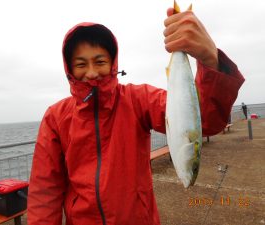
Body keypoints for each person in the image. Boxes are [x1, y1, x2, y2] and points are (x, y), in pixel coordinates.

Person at [27, 7, 245, 225]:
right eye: (81, 64)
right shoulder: (55, 117)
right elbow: (45, 190)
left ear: (113, 64)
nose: (92, 72)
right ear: (70, 69)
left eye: (100, 61)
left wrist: (210, 60)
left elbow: (204, 120)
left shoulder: (138, 100)